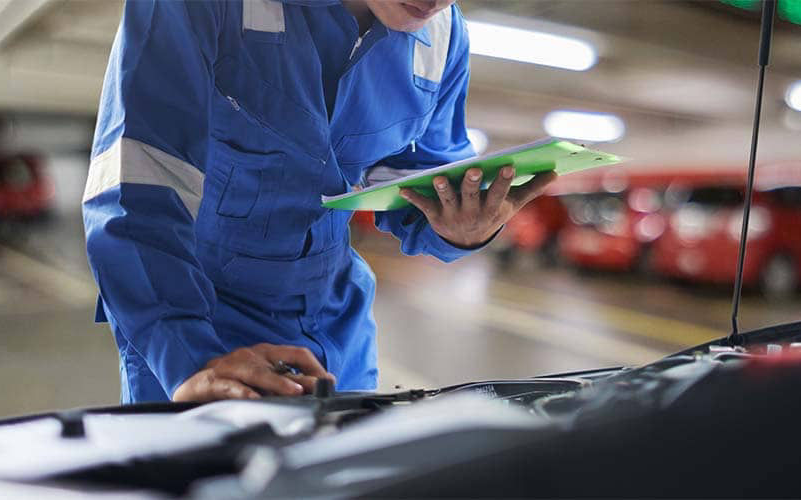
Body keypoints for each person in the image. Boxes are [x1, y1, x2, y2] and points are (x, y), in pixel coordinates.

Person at [82, 0, 556, 403]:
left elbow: (419, 178)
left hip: (337, 329)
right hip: (201, 321)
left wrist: (461, 229)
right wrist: (187, 355)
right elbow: (136, 185)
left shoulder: (443, 36)